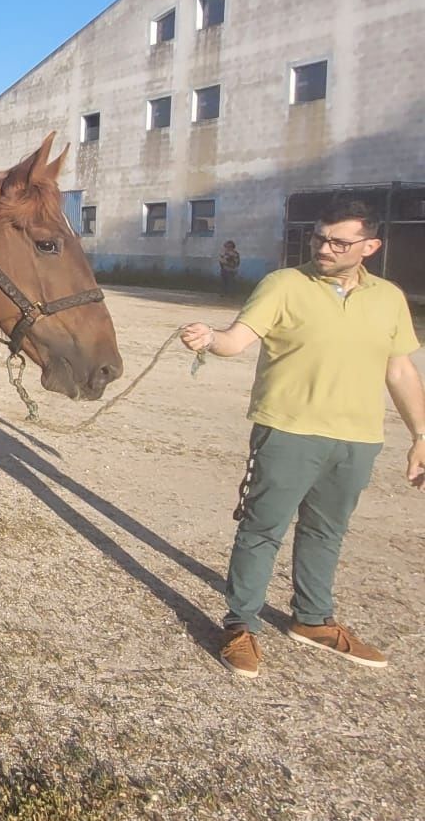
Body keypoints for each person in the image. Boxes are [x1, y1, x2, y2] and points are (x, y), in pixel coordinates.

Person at [179, 200, 424, 679]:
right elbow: (237, 339)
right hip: (287, 430)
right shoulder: (284, 284)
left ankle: (312, 620)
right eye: (319, 238)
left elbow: (400, 370)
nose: (324, 247)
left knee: (326, 532)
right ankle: (240, 626)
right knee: (261, 530)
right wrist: (209, 337)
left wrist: (421, 434)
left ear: (369, 247)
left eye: (339, 242)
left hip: (357, 439)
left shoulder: (389, 298)